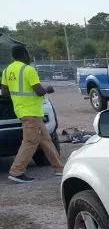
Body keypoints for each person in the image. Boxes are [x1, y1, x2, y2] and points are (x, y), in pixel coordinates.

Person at [0, 44, 64, 183]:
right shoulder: (28, 69)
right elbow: (39, 91)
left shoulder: (6, 71)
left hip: (22, 111)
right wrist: (48, 88)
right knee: (30, 141)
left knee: (46, 140)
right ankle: (16, 171)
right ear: (24, 54)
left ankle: (59, 168)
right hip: (32, 112)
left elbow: (5, 92)